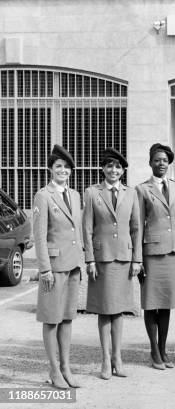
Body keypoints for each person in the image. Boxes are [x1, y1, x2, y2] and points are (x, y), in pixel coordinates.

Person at [82, 147, 141, 380]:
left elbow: (137, 228)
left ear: (123, 170)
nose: (113, 170)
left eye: (117, 166)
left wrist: (137, 259)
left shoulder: (131, 193)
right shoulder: (92, 192)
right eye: (109, 165)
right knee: (104, 311)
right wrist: (90, 260)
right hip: (102, 259)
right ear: (103, 168)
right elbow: (87, 228)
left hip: (124, 259)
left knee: (119, 311)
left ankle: (118, 358)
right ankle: (105, 360)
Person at [33, 144, 84, 389]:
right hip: (53, 268)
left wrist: (81, 261)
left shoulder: (74, 195)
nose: (63, 170)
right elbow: (40, 236)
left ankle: (66, 367)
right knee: (51, 319)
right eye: (58, 167)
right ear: (51, 170)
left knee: (67, 319)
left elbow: (77, 230)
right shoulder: (43, 196)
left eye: (66, 167)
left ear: (71, 171)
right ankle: (54, 370)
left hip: (72, 265)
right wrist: (44, 270)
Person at [136, 143, 175, 370]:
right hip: (152, 253)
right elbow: (138, 226)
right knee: (151, 304)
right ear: (150, 163)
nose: (161, 163)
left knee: (166, 304)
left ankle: (163, 348)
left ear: (169, 164)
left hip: (174, 253)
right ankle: (154, 351)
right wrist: (138, 260)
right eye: (157, 160)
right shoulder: (142, 189)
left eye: (165, 160)